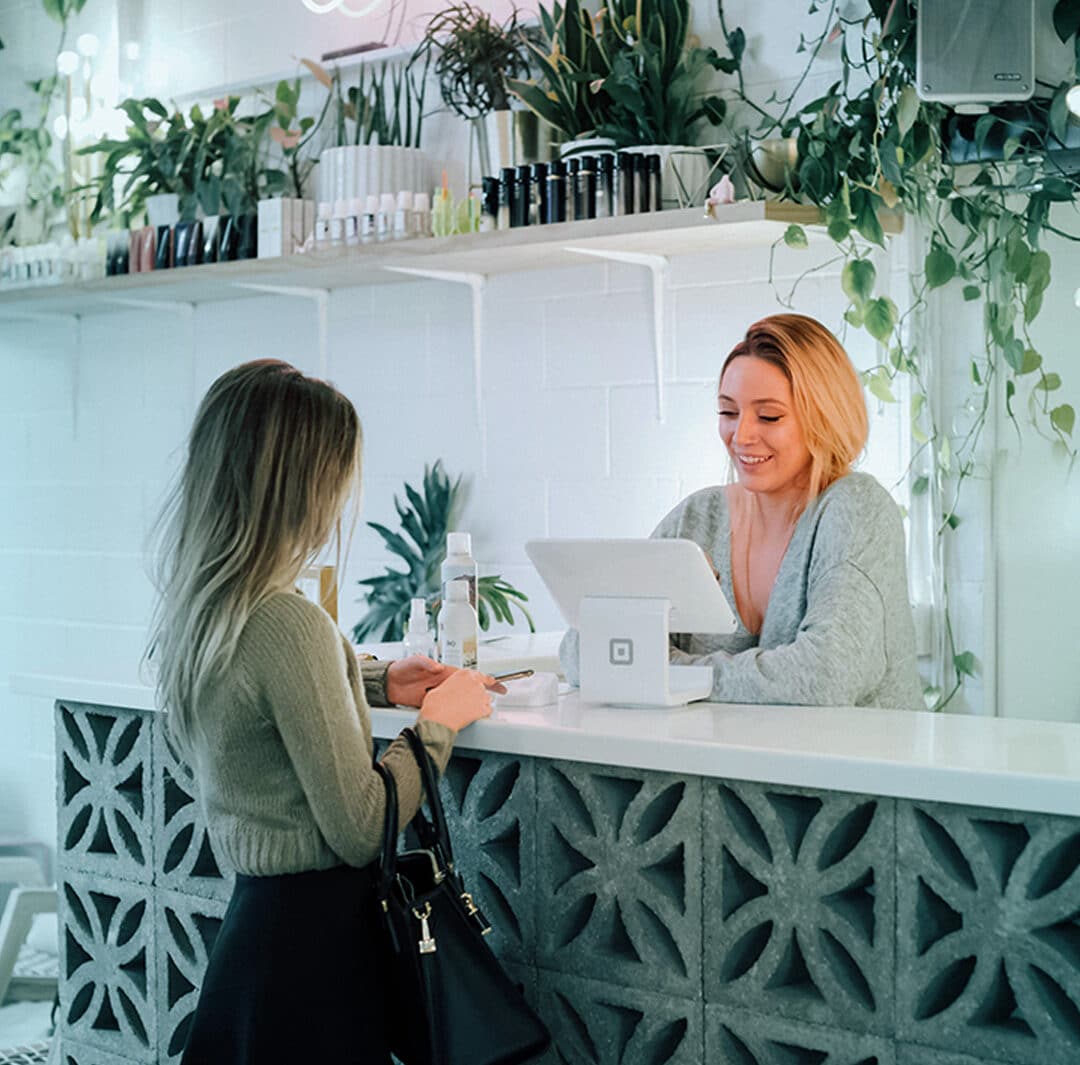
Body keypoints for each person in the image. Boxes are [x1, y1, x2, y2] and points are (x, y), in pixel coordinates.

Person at [147, 359, 500, 1064]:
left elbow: (263, 691)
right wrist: (439, 723)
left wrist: (374, 681)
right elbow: (362, 825)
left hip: (254, 945)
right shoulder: (289, 623)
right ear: (302, 486)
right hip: (314, 962)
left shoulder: (207, 612)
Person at [560, 313, 923, 711]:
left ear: (825, 416)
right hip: (725, 752)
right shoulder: (699, 518)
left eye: (769, 416)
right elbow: (581, 654)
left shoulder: (856, 509)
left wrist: (669, 674)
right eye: (728, 413)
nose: (742, 435)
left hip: (850, 753)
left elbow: (826, 675)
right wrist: (651, 609)